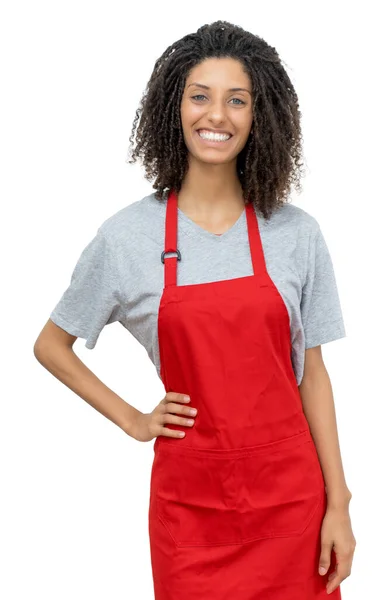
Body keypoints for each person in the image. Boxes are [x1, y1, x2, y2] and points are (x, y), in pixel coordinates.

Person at [34, 20, 356, 600]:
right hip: (192, 512)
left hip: (291, 506)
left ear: (263, 116)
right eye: (200, 96)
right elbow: (50, 345)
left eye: (238, 100)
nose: (218, 116)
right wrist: (134, 420)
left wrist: (339, 502)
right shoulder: (127, 238)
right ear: (173, 108)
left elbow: (313, 375)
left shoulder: (295, 234)